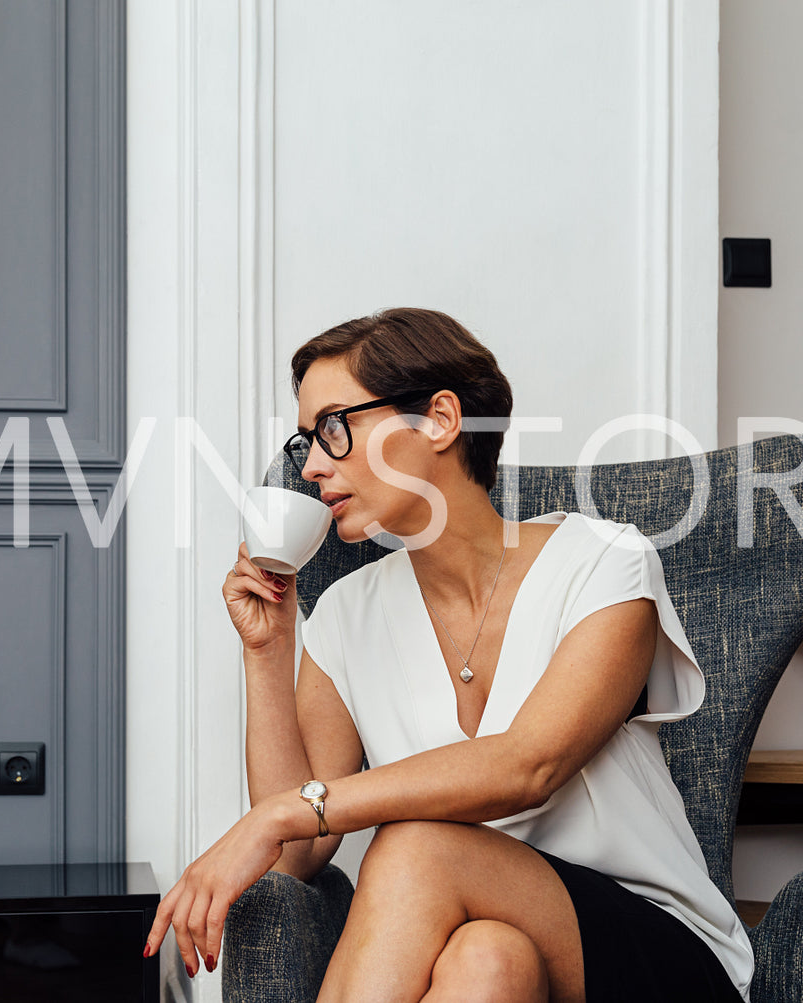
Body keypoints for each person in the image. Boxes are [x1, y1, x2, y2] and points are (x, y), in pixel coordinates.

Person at [143, 308, 753, 1002]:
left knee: (414, 845)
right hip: (498, 953)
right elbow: (296, 858)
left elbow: (528, 765)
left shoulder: (602, 561)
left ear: (438, 418)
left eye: (334, 428)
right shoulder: (345, 613)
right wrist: (268, 652)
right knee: (486, 959)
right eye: (305, 441)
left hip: (653, 957)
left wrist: (278, 813)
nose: (312, 466)